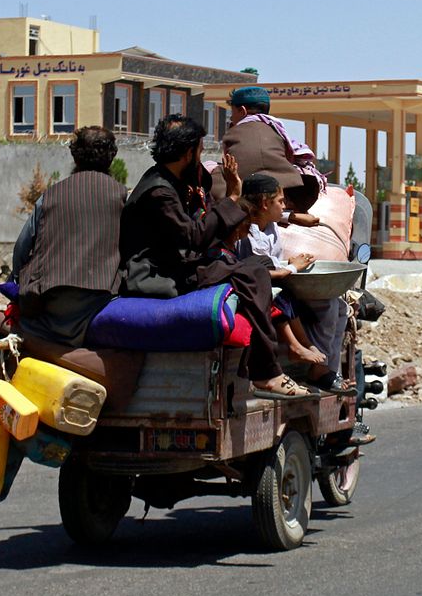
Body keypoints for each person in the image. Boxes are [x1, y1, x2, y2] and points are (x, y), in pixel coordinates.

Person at [120, 114, 312, 399]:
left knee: (254, 267)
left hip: (176, 265)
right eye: (199, 151)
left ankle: (267, 367)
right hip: (157, 275)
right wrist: (233, 198)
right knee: (253, 274)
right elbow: (194, 236)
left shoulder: (173, 181)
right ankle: (266, 372)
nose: (201, 159)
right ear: (188, 153)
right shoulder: (159, 191)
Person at [236, 173, 355, 394]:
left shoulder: (268, 222)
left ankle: (325, 367)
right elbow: (259, 270)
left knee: (339, 307)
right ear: (264, 204)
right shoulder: (249, 234)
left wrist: (294, 217)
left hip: (277, 279)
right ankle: (300, 348)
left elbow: (279, 216)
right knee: (286, 299)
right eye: (281, 201)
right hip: (259, 286)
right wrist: (292, 267)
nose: (285, 206)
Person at [12, 126, 127, 347]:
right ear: (112, 156)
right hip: (100, 300)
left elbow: (21, 249)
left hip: (47, 301)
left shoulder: (50, 196)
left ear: (74, 155)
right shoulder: (121, 197)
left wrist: (18, 283)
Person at [221, 85, 322, 222]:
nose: (231, 118)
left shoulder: (231, 134)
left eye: (232, 113)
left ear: (242, 111)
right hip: (286, 194)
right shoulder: (277, 129)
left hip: (249, 196)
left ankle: (285, 216)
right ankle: (288, 214)